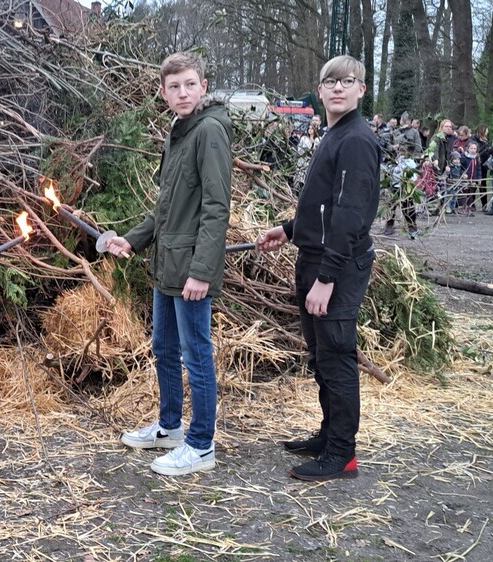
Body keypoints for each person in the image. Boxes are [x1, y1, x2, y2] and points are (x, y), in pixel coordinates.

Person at [107, 51, 232, 477]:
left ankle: (201, 445)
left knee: (196, 354)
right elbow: (167, 209)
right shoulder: (178, 131)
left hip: (191, 269)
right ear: (163, 93)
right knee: (164, 349)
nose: (182, 93)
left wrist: (202, 270)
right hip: (166, 264)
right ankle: (170, 428)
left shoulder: (209, 131)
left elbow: (217, 208)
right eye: (174, 86)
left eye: (190, 85)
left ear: (203, 86)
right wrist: (134, 240)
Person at [258, 55, 381, 481]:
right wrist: (290, 230)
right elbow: (326, 205)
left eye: (348, 81)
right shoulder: (335, 134)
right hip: (314, 257)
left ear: (361, 89)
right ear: (321, 89)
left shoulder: (357, 141)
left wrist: (327, 278)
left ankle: (342, 455)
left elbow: (350, 215)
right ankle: (328, 435)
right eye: (330, 81)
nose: (338, 88)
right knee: (321, 357)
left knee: (337, 357)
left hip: (337, 267)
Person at [385, 145, 419, 235]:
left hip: (405, 188)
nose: (402, 153)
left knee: (408, 208)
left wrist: (410, 180)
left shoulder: (411, 162)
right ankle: (389, 226)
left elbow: (414, 176)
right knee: (391, 208)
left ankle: (412, 227)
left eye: (404, 151)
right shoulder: (395, 161)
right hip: (394, 187)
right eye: (400, 151)